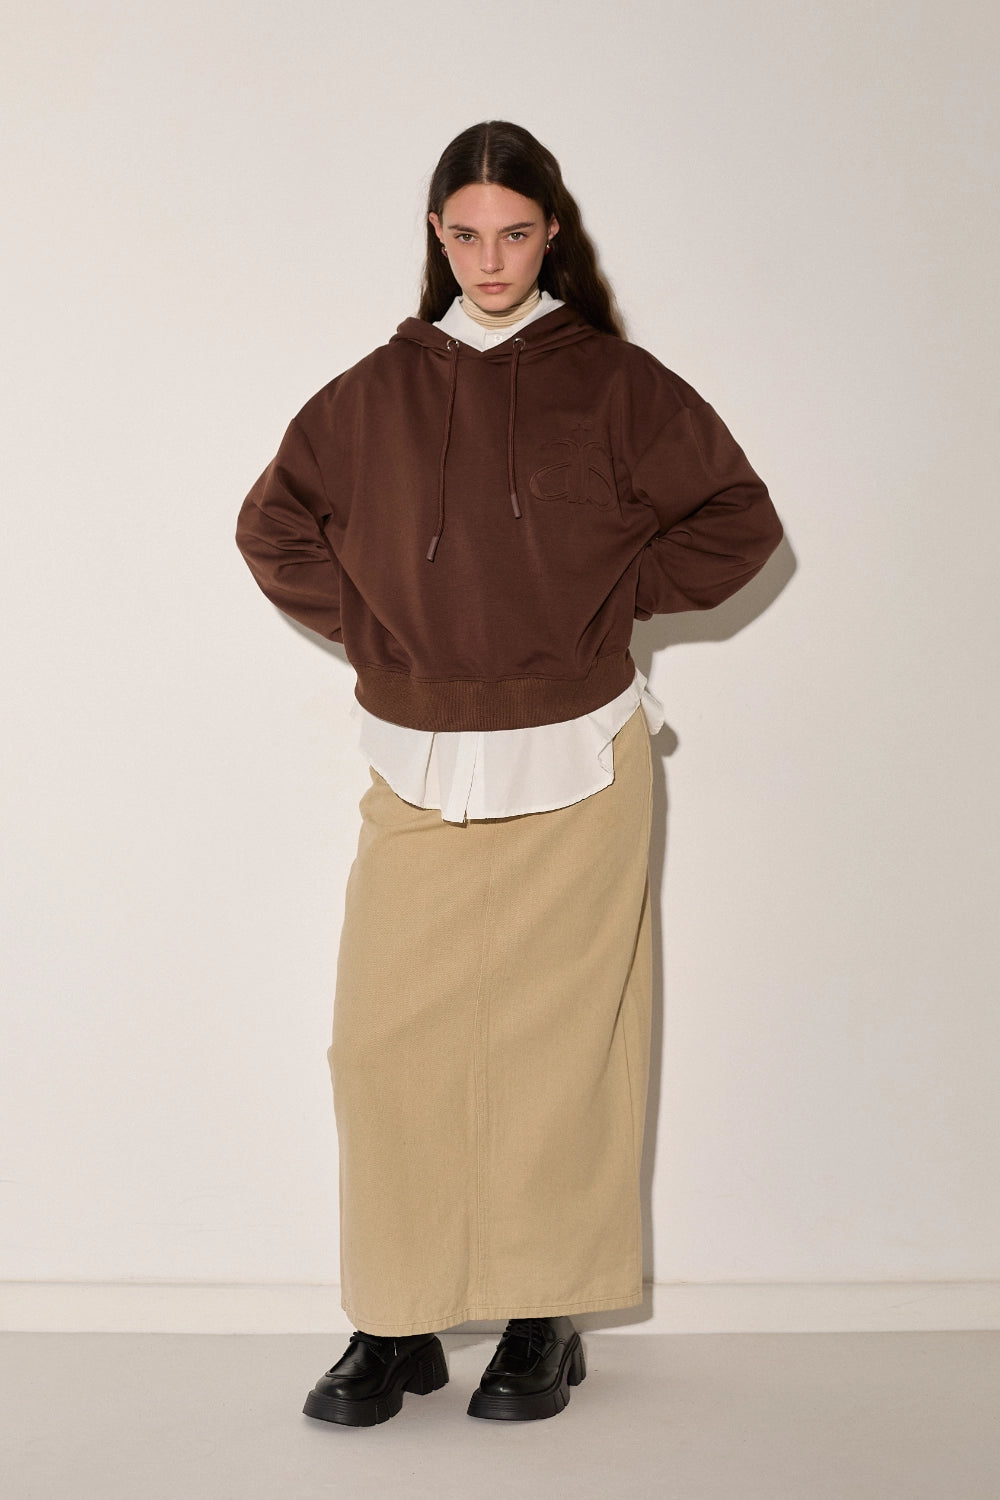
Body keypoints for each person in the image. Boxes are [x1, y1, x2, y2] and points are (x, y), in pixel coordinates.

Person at [235, 119, 782, 1428]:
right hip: (418, 759)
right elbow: (272, 524)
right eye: (468, 234)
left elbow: (739, 521)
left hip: (580, 755)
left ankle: (545, 1314)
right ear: (437, 235)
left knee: (560, 1052)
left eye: (516, 234)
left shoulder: (616, 385)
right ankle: (397, 1317)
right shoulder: (372, 394)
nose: (491, 260)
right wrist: (380, 628)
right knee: (382, 1046)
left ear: (551, 235)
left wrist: (611, 600)